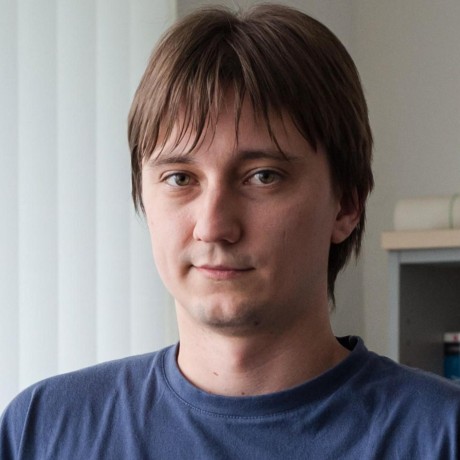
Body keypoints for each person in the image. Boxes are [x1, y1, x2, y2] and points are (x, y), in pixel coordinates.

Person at [1, 4, 459, 459]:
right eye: (180, 178)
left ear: (348, 204)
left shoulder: (442, 436)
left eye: (263, 176)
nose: (213, 226)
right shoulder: (40, 431)